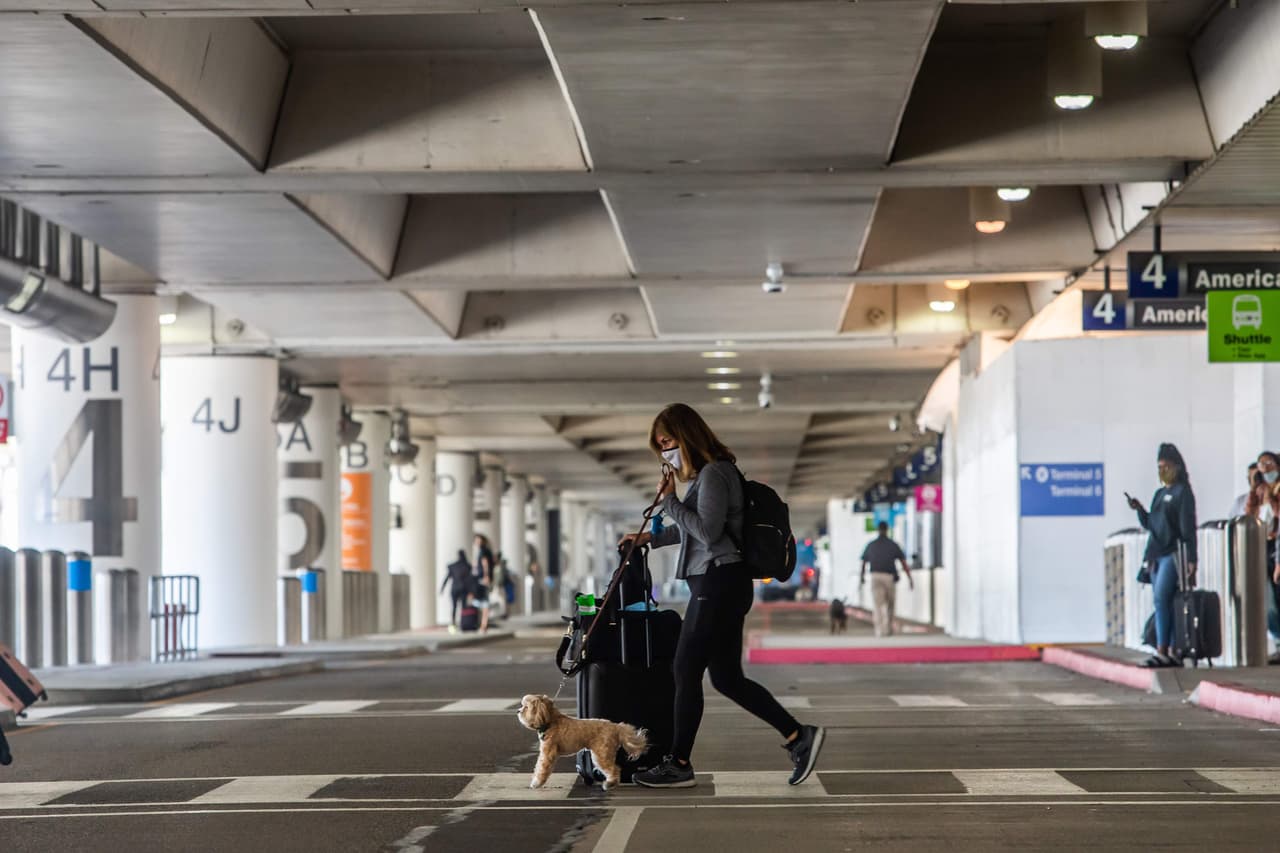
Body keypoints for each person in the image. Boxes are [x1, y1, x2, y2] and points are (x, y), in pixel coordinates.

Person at [623, 403, 825, 789]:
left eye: (667, 442)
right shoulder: (707, 477)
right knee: (728, 679)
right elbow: (693, 529)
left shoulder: (715, 473)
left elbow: (708, 531)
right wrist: (650, 537)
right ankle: (800, 737)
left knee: (684, 669)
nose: (665, 452)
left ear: (686, 435)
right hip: (718, 583)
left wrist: (669, 501)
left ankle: (678, 762)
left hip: (719, 582)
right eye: (660, 446)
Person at [1127, 443, 1197, 668]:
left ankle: (1166, 649)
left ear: (1177, 466)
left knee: (1163, 598)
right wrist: (1139, 510)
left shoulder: (1182, 493)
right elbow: (1152, 524)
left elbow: (1188, 528)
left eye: (1166, 466)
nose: (1162, 471)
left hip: (1173, 553)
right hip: (1156, 555)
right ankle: (1165, 648)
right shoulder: (1160, 494)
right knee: (1162, 602)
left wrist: (1191, 558)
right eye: (1159, 467)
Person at [1248, 452, 1280, 661]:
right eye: (1262, 466)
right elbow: (1249, 515)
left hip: (1276, 548)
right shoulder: (1259, 492)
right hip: (1262, 547)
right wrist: (1254, 489)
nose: (1266, 469)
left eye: (1270, 464)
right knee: (1267, 600)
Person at [859, 521, 914, 637]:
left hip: (875, 576)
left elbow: (863, 563)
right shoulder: (893, 544)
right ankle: (888, 629)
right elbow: (903, 562)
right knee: (890, 604)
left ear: (878, 530)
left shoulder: (871, 545)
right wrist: (910, 578)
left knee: (877, 605)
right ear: (887, 530)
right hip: (889, 577)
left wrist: (862, 577)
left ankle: (879, 631)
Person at [440, 550, 474, 632]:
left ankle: (453, 623)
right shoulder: (467, 566)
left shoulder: (453, 566)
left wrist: (442, 588)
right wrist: (471, 590)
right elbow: (470, 580)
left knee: (454, 606)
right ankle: (462, 623)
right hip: (463, 589)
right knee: (463, 607)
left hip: (455, 589)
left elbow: (447, 578)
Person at [473, 534, 496, 633]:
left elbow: (485, 563)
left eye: (478, 540)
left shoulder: (483, 551)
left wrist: (486, 576)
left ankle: (483, 624)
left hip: (482, 580)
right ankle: (483, 624)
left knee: (483, 602)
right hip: (485, 579)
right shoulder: (487, 551)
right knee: (483, 602)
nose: (476, 542)